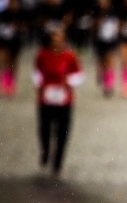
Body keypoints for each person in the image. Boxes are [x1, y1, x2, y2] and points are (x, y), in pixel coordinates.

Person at [33, 24, 83, 180]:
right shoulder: (42, 54)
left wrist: (69, 81)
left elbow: (79, 74)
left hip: (64, 99)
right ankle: (46, 150)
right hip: (46, 98)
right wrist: (40, 85)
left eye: (60, 38)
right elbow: (36, 73)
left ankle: (58, 162)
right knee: (44, 129)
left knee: (62, 132)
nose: (57, 41)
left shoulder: (70, 56)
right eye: (54, 38)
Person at [91, 0, 119, 97]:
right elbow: (92, 28)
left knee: (110, 62)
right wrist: (97, 23)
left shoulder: (114, 12)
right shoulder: (95, 12)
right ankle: (102, 75)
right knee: (101, 61)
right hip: (99, 41)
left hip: (111, 41)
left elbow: (117, 26)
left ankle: (109, 86)